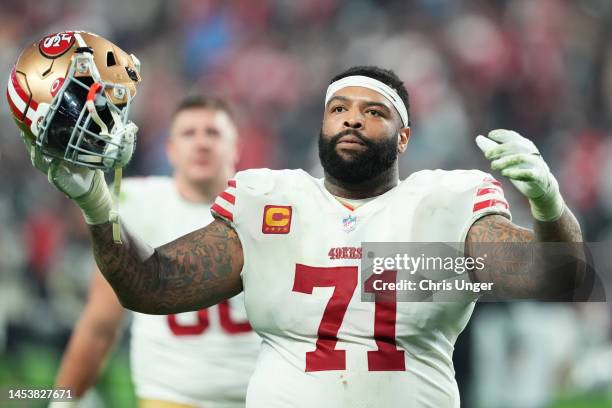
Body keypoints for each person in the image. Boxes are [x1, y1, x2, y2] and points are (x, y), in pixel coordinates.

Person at [9, 32, 585, 408]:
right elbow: (151, 285)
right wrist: (97, 207)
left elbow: (557, 277)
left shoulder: (441, 203)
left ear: (405, 136)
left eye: (374, 111)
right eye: (339, 109)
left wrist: (547, 203)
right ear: (321, 124)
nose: (352, 120)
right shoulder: (268, 201)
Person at [52, 94, 261, 408]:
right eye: (189, 133)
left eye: (213, 133)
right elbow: (100, 322)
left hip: (257, 398)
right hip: (169, 397)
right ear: (170, 150)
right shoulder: (138, 203)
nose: (201, 143)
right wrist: (64, 400)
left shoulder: (266, 208)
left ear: (236, 146)